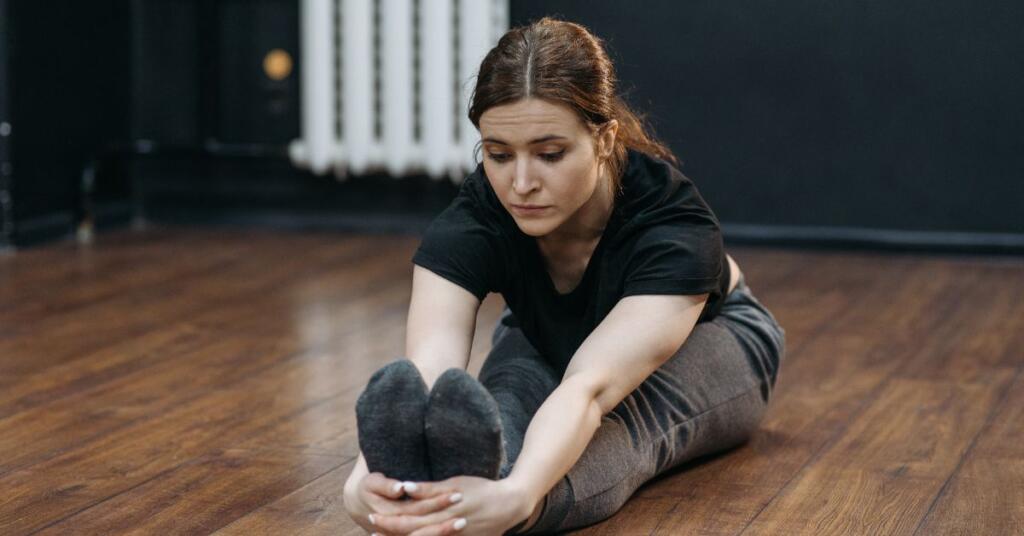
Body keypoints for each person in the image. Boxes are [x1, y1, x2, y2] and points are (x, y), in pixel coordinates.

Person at [343, 16, 786, 536]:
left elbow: (591, 388)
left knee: (623, 425)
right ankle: (446, 493)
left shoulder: (674, 224)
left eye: (550, 154)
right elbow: (425, 373)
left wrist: (519, 495)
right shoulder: (476, 217)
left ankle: (507, 518)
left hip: (712, 334)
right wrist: (363, 483)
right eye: (499, 155)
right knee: (493, 406)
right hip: (545, 329)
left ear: (603, 139)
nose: (522, 183)